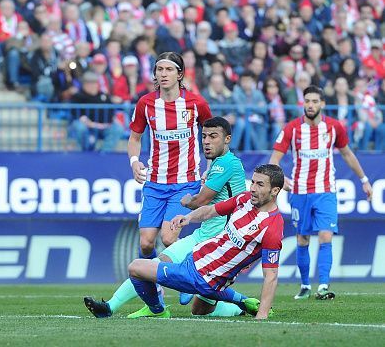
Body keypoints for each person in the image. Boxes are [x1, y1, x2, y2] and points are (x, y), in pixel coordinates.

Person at [84, 116, 247, 318]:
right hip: (203, 236)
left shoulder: (226, 164)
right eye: (204, 136)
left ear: (227, 139)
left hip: (220, 245)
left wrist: (185, 199)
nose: (206, 141)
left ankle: (241, 304)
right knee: (153, 265)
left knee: (200, 310)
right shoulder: (218, 163)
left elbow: (201, 201)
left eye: (213, 136)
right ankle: (110, 307)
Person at [127, 164, 286, 320]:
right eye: (252, 182)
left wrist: (262, 315)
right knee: (199, 310)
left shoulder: (272, 227)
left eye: (260, 184)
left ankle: (157, 310)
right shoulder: (244, 199)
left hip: (202, 277)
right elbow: (210, 210)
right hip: (196, 258)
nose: (252, 188)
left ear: (275, 191)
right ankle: (243, 302)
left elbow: (271, 275)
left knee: (135, 268)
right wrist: (188, 218)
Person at [269, 85, 373, 300]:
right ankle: (305, 285)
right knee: (302, 239)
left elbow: (347, 154)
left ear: (322, 104)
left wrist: (364, 180)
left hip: (326, 190)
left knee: (326, 235)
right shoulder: (292, 129)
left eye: (315, 101)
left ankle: (323, 285)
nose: (310, 105)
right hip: (300, 191)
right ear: (303, 103)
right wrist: (280, 178)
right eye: (307, 101)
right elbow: (275, 159)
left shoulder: (335, 127)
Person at [128, 51, 212, 263]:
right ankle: (153, 288)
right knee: (146, 244)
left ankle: (189, 281)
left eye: (169, 69)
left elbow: (213, 135)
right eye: (159, 69)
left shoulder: (196, 103)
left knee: (168, 237)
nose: (163, 74)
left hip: (185, 182)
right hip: (155, 182)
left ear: (180, 74)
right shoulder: (145, 104)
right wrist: (134, 161)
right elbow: (135, 138)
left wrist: (211, 164)